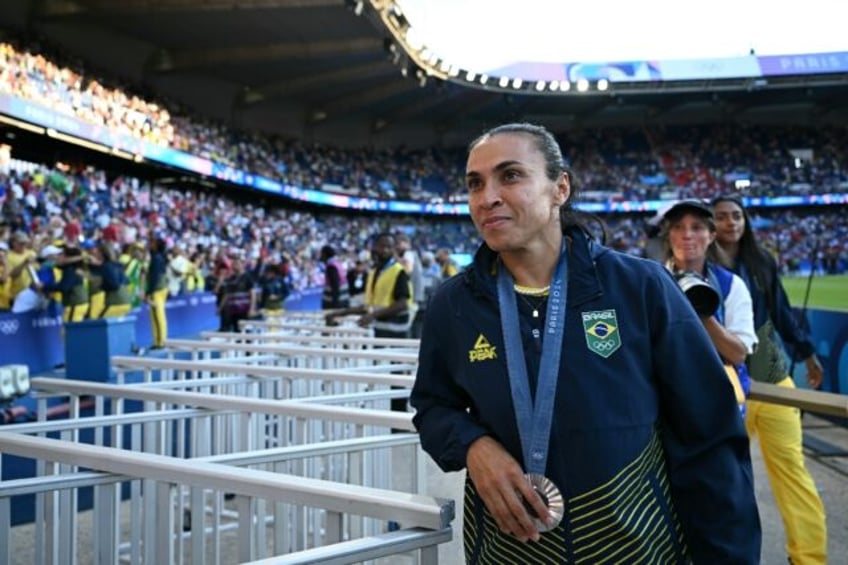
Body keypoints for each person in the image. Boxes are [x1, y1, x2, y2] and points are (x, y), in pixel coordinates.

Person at [409, 123, 761, 563]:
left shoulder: (640, 287)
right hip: (510, 551)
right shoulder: (453, 305)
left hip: (637, 549)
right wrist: (473, 445)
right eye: (475, 183)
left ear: (560, 189)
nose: (487, 197)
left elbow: (709, 436)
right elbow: (432, 406)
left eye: (511, 175)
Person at [712, 194, 827, 564]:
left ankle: (809, 557)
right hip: (725, 386)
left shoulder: (762, 261)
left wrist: (807, 353)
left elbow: (781, 312)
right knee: (721, 478)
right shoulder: (698, 267)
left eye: (737, 216)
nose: (731, 223)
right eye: (722, 217)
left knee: (792, 472)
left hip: (774, 378)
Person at [660, 199, 757, 411]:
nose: (687, 235)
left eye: (697, 227)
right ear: (669, 236)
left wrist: (702, 310)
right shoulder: (651, 281)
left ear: (711, 236)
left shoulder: (731, 285)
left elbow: (738, 354)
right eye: (678, 227)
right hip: (667, 400)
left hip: (720, 401)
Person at [326, 233, 413, 416]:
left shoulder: (398, 272)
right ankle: (382, 417)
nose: (380, 251)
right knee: (380, 377)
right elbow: (367, 306)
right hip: (379, 335)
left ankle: (398, 421)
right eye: (378, 247)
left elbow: (402, 303)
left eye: (385, 247)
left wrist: (374, 315)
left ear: (392, 250)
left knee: (395, 378)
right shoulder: (374, 272)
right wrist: (340, 313)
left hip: (395, 336)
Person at [145, 237, 169, 349]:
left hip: (157, 290)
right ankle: (158, 340)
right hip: (161, 288)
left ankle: (161, 341)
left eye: (152, 243)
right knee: (158, 315)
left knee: (157, 315)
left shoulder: (156, 258)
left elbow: (154, 277)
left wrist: (149, 291)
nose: (149, 245)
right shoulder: (161, 257)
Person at [319, 244, 349, 310]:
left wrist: (335, 307)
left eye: (321, 254)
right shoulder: (337, 263)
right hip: (342, 300)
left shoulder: (331, 267)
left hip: (335, 304)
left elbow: (335, 286)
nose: (320, 256)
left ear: (325, 254)